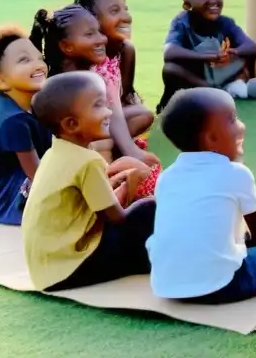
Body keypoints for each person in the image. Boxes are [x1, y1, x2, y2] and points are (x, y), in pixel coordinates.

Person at [147, 88, 256, 303]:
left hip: (167, 285)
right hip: (224, 286)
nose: (242, 126)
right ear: (211, 139)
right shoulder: (236, 174)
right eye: (233, 120)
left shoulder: (167, 177)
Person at [22, 72, 157, 291]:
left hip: (46, 270)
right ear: (71, 124)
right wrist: (131, 181)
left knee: (143, 210)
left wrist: (121, 177)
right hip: (71, 269)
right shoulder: (88, 161)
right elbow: (117, 217)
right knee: (147, 208)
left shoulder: (57, 150)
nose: (109, 112)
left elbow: (99, 201)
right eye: (98, 106)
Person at [30, 5, 158, 169]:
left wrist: (131, 150)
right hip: (72, 161)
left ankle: (118, 157)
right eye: (90, 34)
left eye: (99, 31)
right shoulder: (59, 88)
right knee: (101, 130)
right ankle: (112, 164)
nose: (102, 39)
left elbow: (115, 113)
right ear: (67, 46)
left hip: (90, 148)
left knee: (139, 114)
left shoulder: (94, 73)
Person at [0, 27, 52, 225]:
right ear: (0, 81)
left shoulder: (33, 105)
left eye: (39, 57)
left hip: (26, 182)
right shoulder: (12, 120)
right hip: (8, 203)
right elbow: (38, 175)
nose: (39, 64)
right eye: (24, 60)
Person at [159, 0, 256, 113]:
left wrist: (234, 52)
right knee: (170, 69)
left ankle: (244, 85)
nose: (213, 0)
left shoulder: (226, 23)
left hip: (221, 72)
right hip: (198, 78)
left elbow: (251, 46)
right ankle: (217, 92)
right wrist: (208, 57)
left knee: (246, 56)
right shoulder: (181, 23)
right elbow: (169, 52)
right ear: (187, 3)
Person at [74, 0, 155, 138]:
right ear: (92, 20)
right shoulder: (81, 57)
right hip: (84, 125)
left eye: (125, 9)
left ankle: (119, 154)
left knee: (143, 114)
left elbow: (125, 97)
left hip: (113, 119)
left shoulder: (125, 50)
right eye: (114, 11)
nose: (126, 17)